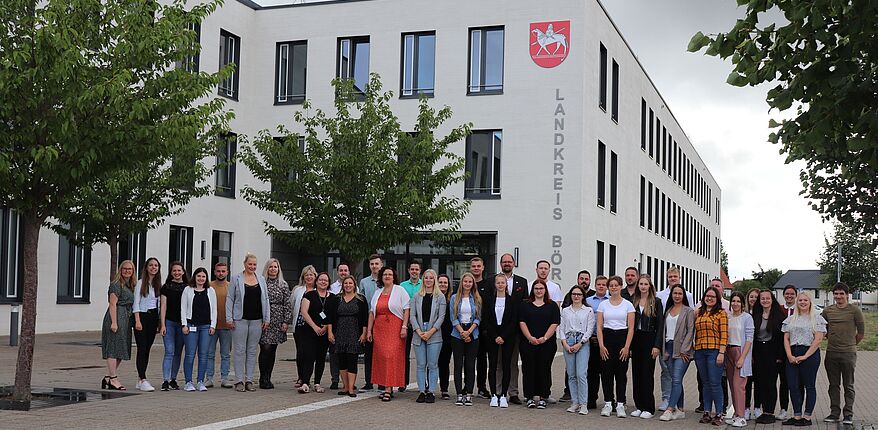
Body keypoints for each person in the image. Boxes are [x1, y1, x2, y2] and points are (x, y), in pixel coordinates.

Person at [821, 282, 865, 425]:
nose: (838, 296)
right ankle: (834, 413)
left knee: (848, 385)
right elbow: (822, 327)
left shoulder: (855, 311)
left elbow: (861, 333)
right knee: (833, 385)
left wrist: (850, 345)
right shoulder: (828, 311)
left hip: (848, 353)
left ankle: (848, 414)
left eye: (841, 293)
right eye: (836, 294)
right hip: (831, 353)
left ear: (847, 295)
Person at [226, 253, 270, 392]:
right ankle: (239, 380)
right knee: (239, 351)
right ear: (245, 264)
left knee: (252, 351)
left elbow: (266, 299)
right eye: (250, 264)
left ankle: (249, 380)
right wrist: (229, 318)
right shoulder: (236, 278)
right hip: (240, 320)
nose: (252, 267)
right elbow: (230, 299)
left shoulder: (261, 279)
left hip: (257, 320)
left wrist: (267, 318)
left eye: (254, 264)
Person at [782, 292, 827, 426]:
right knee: (793, 385)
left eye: (805, 300)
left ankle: (807, 417)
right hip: (793, 352)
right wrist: (789, 355)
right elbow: (786, 338)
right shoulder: (791, 319)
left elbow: (818, 339)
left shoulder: (817, 318)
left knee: (809, 386)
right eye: (800, 300)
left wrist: (806, 355)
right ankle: (797, 416)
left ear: (810, 302)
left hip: (810, 354)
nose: (802, 302)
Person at [368, 266, 410, 401]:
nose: (387, 276)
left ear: (394, 277)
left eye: (390, 274)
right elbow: (372, 312)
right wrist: (369, 330)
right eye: (385, 274)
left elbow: (406, 309)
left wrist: (404, 326)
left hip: (395, 328)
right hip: (379, 328)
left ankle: (389, 388)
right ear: (381, 277)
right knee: (381, 357)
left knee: (390, 356)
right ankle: (386, 386)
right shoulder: (377, 292)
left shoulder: (400, 290)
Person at [656, 266, 694, 411]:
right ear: (667, 277)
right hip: (667, 343)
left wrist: (686, 347)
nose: (673, 278)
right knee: (667, 373)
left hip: (681, 344)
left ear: (679, 277)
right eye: (670, 276)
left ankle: (673, 407)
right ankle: (669, 400)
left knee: (677, 378)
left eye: (675, 276)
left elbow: (689, 323)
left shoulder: (688, 296)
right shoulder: (660, 295)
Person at [518, 279, 560, 409]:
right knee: (528, 369)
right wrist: (530, 337)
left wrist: (545, 338)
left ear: (545, 290)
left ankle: (543, 397)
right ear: (533, 290)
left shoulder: (552, 305)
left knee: (544, 369)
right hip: (528, 343)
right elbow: (522, 322)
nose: (539, 291)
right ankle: (530, 397)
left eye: (541, 288)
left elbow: (555, 322)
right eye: (536, 288)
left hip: (546, 343)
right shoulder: (525, 305)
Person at [596, 275, 635, 417]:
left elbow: (631, 328)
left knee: (620, 374)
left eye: (616, 285)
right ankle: (608, 403)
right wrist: (601, 345)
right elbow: (599, 326)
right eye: (611, 285)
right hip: (607, 339)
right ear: (608, 287)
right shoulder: (603, 305)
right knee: (606, 373)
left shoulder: (628, 305)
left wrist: (626, 347)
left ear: (620, 286)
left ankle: (620, 404)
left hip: (622, 339)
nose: (613, 288)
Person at [409, 269, 447, 403]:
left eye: (431, 278)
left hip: (434, 333)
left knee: (432, 364)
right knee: (420, 365)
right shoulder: (416, 296)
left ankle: (431, 391)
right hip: (419, 332)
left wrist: (430, 332)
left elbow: (441, 317)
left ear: (434, 280)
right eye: (426, 278)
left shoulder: (440, 297)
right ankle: (421, 391)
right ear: (423, 279)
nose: (428, 280)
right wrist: (419, 331)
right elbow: (412, 316)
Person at [328, 275, 368, 397]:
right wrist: (330, 332)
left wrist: (364, 333)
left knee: (352, 360)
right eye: (346, 283)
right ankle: (345, 387)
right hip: (339, 333)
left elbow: (365, 318)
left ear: (354, 285)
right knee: (342, 361)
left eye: (350, 283)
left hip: (354, 333)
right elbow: (330, 317)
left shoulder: (361, 299)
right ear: (343, 285)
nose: (348, 285)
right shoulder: (336, 299)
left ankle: (351, 388)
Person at [482, 273, 518, 408]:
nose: (500, 285)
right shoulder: (489, 299)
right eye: (498, 283)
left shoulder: (512, 300)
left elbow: (513, 320)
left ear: (506, 284)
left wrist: (503, 336)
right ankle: (493, 395)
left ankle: (503, 395)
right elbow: (486, 319)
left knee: (506, 365)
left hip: (507, 337)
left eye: (503, 283)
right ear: (495, 284)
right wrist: (495, 335)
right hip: (492, 336)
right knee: (492, 365)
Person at [693, 287, 728, 426]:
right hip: (700, 351)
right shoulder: (699, 313)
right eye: (707, 296)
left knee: (715, 383)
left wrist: (721, 352)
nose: (709, 298)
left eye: (713, 297)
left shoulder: (721, 313)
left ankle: (719, 413)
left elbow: (724, 335)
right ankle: (707, 411)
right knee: (705, 383)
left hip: (714, 351)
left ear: (717, 299)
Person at [631, 275, 664, 419]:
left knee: (647, 374)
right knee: (636, 373)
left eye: (645, 284)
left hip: (649, 339)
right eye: (641, 284)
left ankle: (648, 407)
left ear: (650, 286)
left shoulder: (656, 302)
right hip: (636, 339)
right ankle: (639, 405)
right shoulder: (633, 301)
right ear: (638, 286)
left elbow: (660, 325)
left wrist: (657, 345)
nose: (643, 286)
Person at [101, 260, 137, 391]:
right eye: (125, 268)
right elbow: (112, 304)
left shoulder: (131, 285)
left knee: (122, 350)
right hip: (116, 316)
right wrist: (114, 322)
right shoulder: (116, 284)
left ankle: (107, 377)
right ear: (120, 270)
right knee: (113, 348)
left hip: (126, 318)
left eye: (130, 269)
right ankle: (113, 378)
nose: (127, 271)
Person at [181, 267, 217, 392]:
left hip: (206, 326)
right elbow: (183, 308)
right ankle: (188, 382)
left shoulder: (210, 290)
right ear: (194, 277)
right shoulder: (188, 290)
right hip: (191, 326)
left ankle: (200, 381)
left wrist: (213, 325)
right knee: (190, 355)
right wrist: (184, 324)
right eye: (198, 276)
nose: (201, 279)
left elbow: (214, 309)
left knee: (203, 355)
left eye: (203, 276)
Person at [560, 284, 594, 415]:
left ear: (583, 296)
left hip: (582, 342)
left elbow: (590, 329)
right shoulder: (565, 311)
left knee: (581, 374)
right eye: (574, 294)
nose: (576, 296)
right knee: (571, 374)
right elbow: (561, 328)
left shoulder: (588, 311)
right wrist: (564, 343)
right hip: (568, 340)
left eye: (579, 294)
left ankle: (583, 403)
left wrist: (581, 343)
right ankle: (575, 402)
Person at [258, 258, 292, 389]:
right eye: (271, 267)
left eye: (275, 267)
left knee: (272, 349)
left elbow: (287, 304)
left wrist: (286, 321)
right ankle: (262, 377)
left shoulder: (283, 284)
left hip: (278, 319)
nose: (273, 269)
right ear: (267, 268)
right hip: (265, 318)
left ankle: (268, 377)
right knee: (265, 348)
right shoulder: (261, 283)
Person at [500, 252, 529, 405]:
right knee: (498, 362)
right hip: (498, 330)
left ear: (513, 264)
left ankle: (513, 392)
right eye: (504, 262)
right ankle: (498, 391)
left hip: (516, 329)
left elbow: (525, 305)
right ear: (501, 264)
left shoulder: (522, 282)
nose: (507, 264)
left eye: (509, 262)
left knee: (512, 363)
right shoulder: (494, 280)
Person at [752, 290, 785, 424]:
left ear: (772, 300)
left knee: (770, 383)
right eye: (762, 299)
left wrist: (780, 356)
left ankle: (769, 411)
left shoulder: (778, 316)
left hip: (773, 352)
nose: (765, 301)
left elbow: (782, 338)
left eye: (767, 298)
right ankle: (761, 410)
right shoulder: (756, 315)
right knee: (759, 382)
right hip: (759, 351)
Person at [299, 272, 335, 394]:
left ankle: (317, 383)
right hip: (309, 331)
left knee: (321, 358)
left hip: (325, 333)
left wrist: (325, 327)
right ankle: (305, 382)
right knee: (308, 356)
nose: (323, 282)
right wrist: (314, 327)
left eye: (326, 280)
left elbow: (333, 315)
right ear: (316, 281)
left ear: (329, 283)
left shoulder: (333, 297)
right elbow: (304, 312)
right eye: (321, 280)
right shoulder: (309, 295)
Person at [450, 272, 482, 406]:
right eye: (465, 282)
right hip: (457, 333)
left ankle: (468, 393)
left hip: (472, 333)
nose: (467, 284)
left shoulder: (477, 298)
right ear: (461, 283)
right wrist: (462, 332)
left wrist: (469, 332)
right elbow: (453, 317)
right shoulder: (454, 298)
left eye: (470, 282)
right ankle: (459, 394)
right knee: (458, 365)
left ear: (473, 284)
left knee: (470, 365)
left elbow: (478, 318)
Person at [724, 292, 754, 428]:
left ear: (742, 303)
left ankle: (741, 416)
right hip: (728, 351)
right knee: (731, 385)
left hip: (740, 351)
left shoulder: (747, 318)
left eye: (738, 301)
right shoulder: (728, 317)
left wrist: (742, 358)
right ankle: (736, 413)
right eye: (733, 301)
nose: (735, 304)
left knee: (739, 385)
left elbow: (749, 339)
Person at [132, 257, 161, 392]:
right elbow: (136, 303)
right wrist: (137, 320)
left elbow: (159, 304)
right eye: (151, 265)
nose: (153, 268)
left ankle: (140, 378)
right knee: (142, 348)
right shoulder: (140, 283)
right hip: (142, 317)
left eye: (156, 265)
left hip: (153, 317)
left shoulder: (158, 284)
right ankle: (143, 379)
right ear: (146, 267)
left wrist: (159, 322)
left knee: (147, 349)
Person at [160, 261, 188, 391]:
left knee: (178, 352)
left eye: (179, 270)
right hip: (169, 323)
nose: (177, 273)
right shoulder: (166, 287)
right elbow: (163, 306)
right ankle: (165, 380)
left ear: (183, 272)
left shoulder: (188, 287)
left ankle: (173, 379)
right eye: (174, 271)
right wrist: (162, 324)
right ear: (171, 273)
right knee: (169, 351)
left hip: (182, 324)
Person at [205, 262, 232, 388]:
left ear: (227, 272)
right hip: (211, 326)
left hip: (227, 326)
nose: (221, 273)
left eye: (223, 271)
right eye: (218, 271)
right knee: (209, 353)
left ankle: (225, 378)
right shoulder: (209, 286)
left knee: (225, 354)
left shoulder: (231, 286)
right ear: (215, 272)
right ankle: (209, 378)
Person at [585, 275, 609, 410]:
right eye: (599, 284)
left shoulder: (611, 301)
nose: (601, 286)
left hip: (606, 342)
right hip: (590, 340)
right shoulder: (587, 301)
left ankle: (608, 400)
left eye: (604, 284)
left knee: (606, 372)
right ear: (595, 286)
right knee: (592, 373)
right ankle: (591, 399)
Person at [358, 255, 382, 392]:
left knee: (381, 354)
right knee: (369, 354)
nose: (374, 266)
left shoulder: (386, 281)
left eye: (376, 264)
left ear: (381, 264)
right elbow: (361, 303)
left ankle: (381, 382)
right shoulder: (364, 282)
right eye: (372, 264)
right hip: (368, 321)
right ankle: (368, 381)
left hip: (383, 321)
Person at [292, 265, 317, 390]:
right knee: (300, 352)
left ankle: (307, 378)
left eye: (311, 275)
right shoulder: (298, 290)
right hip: (300, 325)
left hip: (313, 327)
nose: (309, 277)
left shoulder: (319, 290)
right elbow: (292, 306)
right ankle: (300, 376)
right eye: (306, 275)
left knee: (310, 354)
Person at [399, 259, 422, 392]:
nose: (414, 271)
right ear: (408, 271)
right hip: (406, 323)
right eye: (412, 269)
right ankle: (403, 382)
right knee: (404, 354)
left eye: (416, 269)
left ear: (420, 271)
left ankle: (422, 382)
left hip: (420, 324)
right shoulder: (402, 286)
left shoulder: (424, 285)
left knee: (421, 356)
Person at [470, 257, 492, 400]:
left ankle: (482, 387)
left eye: (479, 266)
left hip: (483, 329)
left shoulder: (489, 285)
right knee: (469, 359)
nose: (476, 268)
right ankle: (467, 387)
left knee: (482, 359)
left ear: (483, 267)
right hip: (467, 329)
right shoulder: (466, 284)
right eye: (474, 266)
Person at [776, 284, 798, 420]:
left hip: (795, 349)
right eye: (787, 294)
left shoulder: (800, 310)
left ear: (796, 296)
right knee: (783, 382)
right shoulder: (778, 310)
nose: (789, 296)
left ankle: (798, 409)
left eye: (792, 294)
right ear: (783, 295)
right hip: (780, 351)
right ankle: (783, 409)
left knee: (795, 382)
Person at [327, 262, 350, 390]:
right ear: (337, 272)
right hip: (336, 325)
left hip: (350, 327)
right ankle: (334, 379)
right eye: (341, 270)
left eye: (345, 270)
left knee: (347, 354)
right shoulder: (332, 288)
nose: (343, 273)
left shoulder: (353, 287)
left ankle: (347, 381)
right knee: (334, 353)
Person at [744, 287, 761, 419]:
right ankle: (745, 407)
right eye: (751, 296)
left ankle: (757, 407)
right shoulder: (743, 313)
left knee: (759, 381)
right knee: (746, 382)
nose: (753, 299)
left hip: (759, 352)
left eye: (756, 297)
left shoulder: (762, 314)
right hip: (745, 352)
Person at [437, 274, 454, 400]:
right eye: (441, 282)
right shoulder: (433, 298)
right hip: (434, 334)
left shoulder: (452, 299)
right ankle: (428, 387)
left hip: (448, 336)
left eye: (445, 282)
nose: (443, 284)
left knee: (444, 363)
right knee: (431, 363)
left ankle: (444, 389)